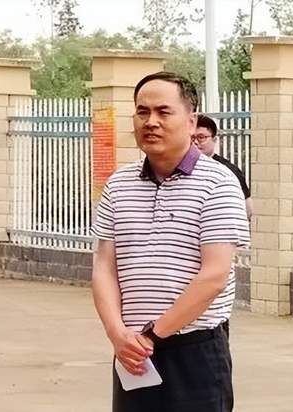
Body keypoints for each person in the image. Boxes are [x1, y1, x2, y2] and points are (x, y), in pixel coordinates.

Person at [91, 71, 250, 412]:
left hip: (194, 352)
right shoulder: (119, 185)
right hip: (132, 351)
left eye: (164, 112)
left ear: (191, 122)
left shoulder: (218, 183)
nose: (151, 122)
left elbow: (214, 275)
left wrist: (152, 335)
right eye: (142, 112)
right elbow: (104, 266)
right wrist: (117, 334)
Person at [192, 115, 253, 220]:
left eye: (201, 137)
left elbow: (248, 210)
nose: (195, 142)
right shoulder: (177, 168)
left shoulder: (229, 171)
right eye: (192, 138)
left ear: (214, 139)